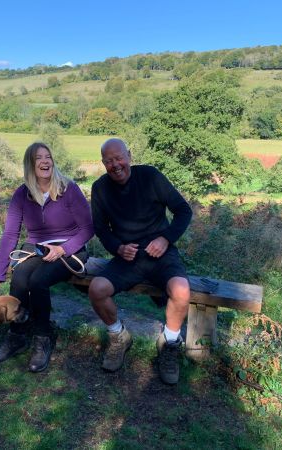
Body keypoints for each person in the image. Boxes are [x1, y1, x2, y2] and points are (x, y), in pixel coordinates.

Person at [88, 138, 192, 384]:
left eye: (119, 158)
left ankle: (169, 343)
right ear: (103, 163)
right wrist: (118, 248)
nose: (116, 165)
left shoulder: (150, 176)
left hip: (161, 254)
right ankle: (118, 336)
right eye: (109, 161)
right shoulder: (100, 188)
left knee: (182, 290)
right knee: (96, 289)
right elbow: (101, 228)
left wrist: (166, 239)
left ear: (130, 155)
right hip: (128, 258)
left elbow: (183, 210)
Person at [0, 142, 94, 372]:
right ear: (30, 165)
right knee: (21, 276)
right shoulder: (22, 194)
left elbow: (88, 228)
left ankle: (43, 338)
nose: (45, 162)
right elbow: (10, 235)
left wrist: (63, 249)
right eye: (38, 158)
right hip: (37, 248)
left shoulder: (68, 189)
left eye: (48, 157)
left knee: (38, 281)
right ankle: (17, 335)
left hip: (70, 249)